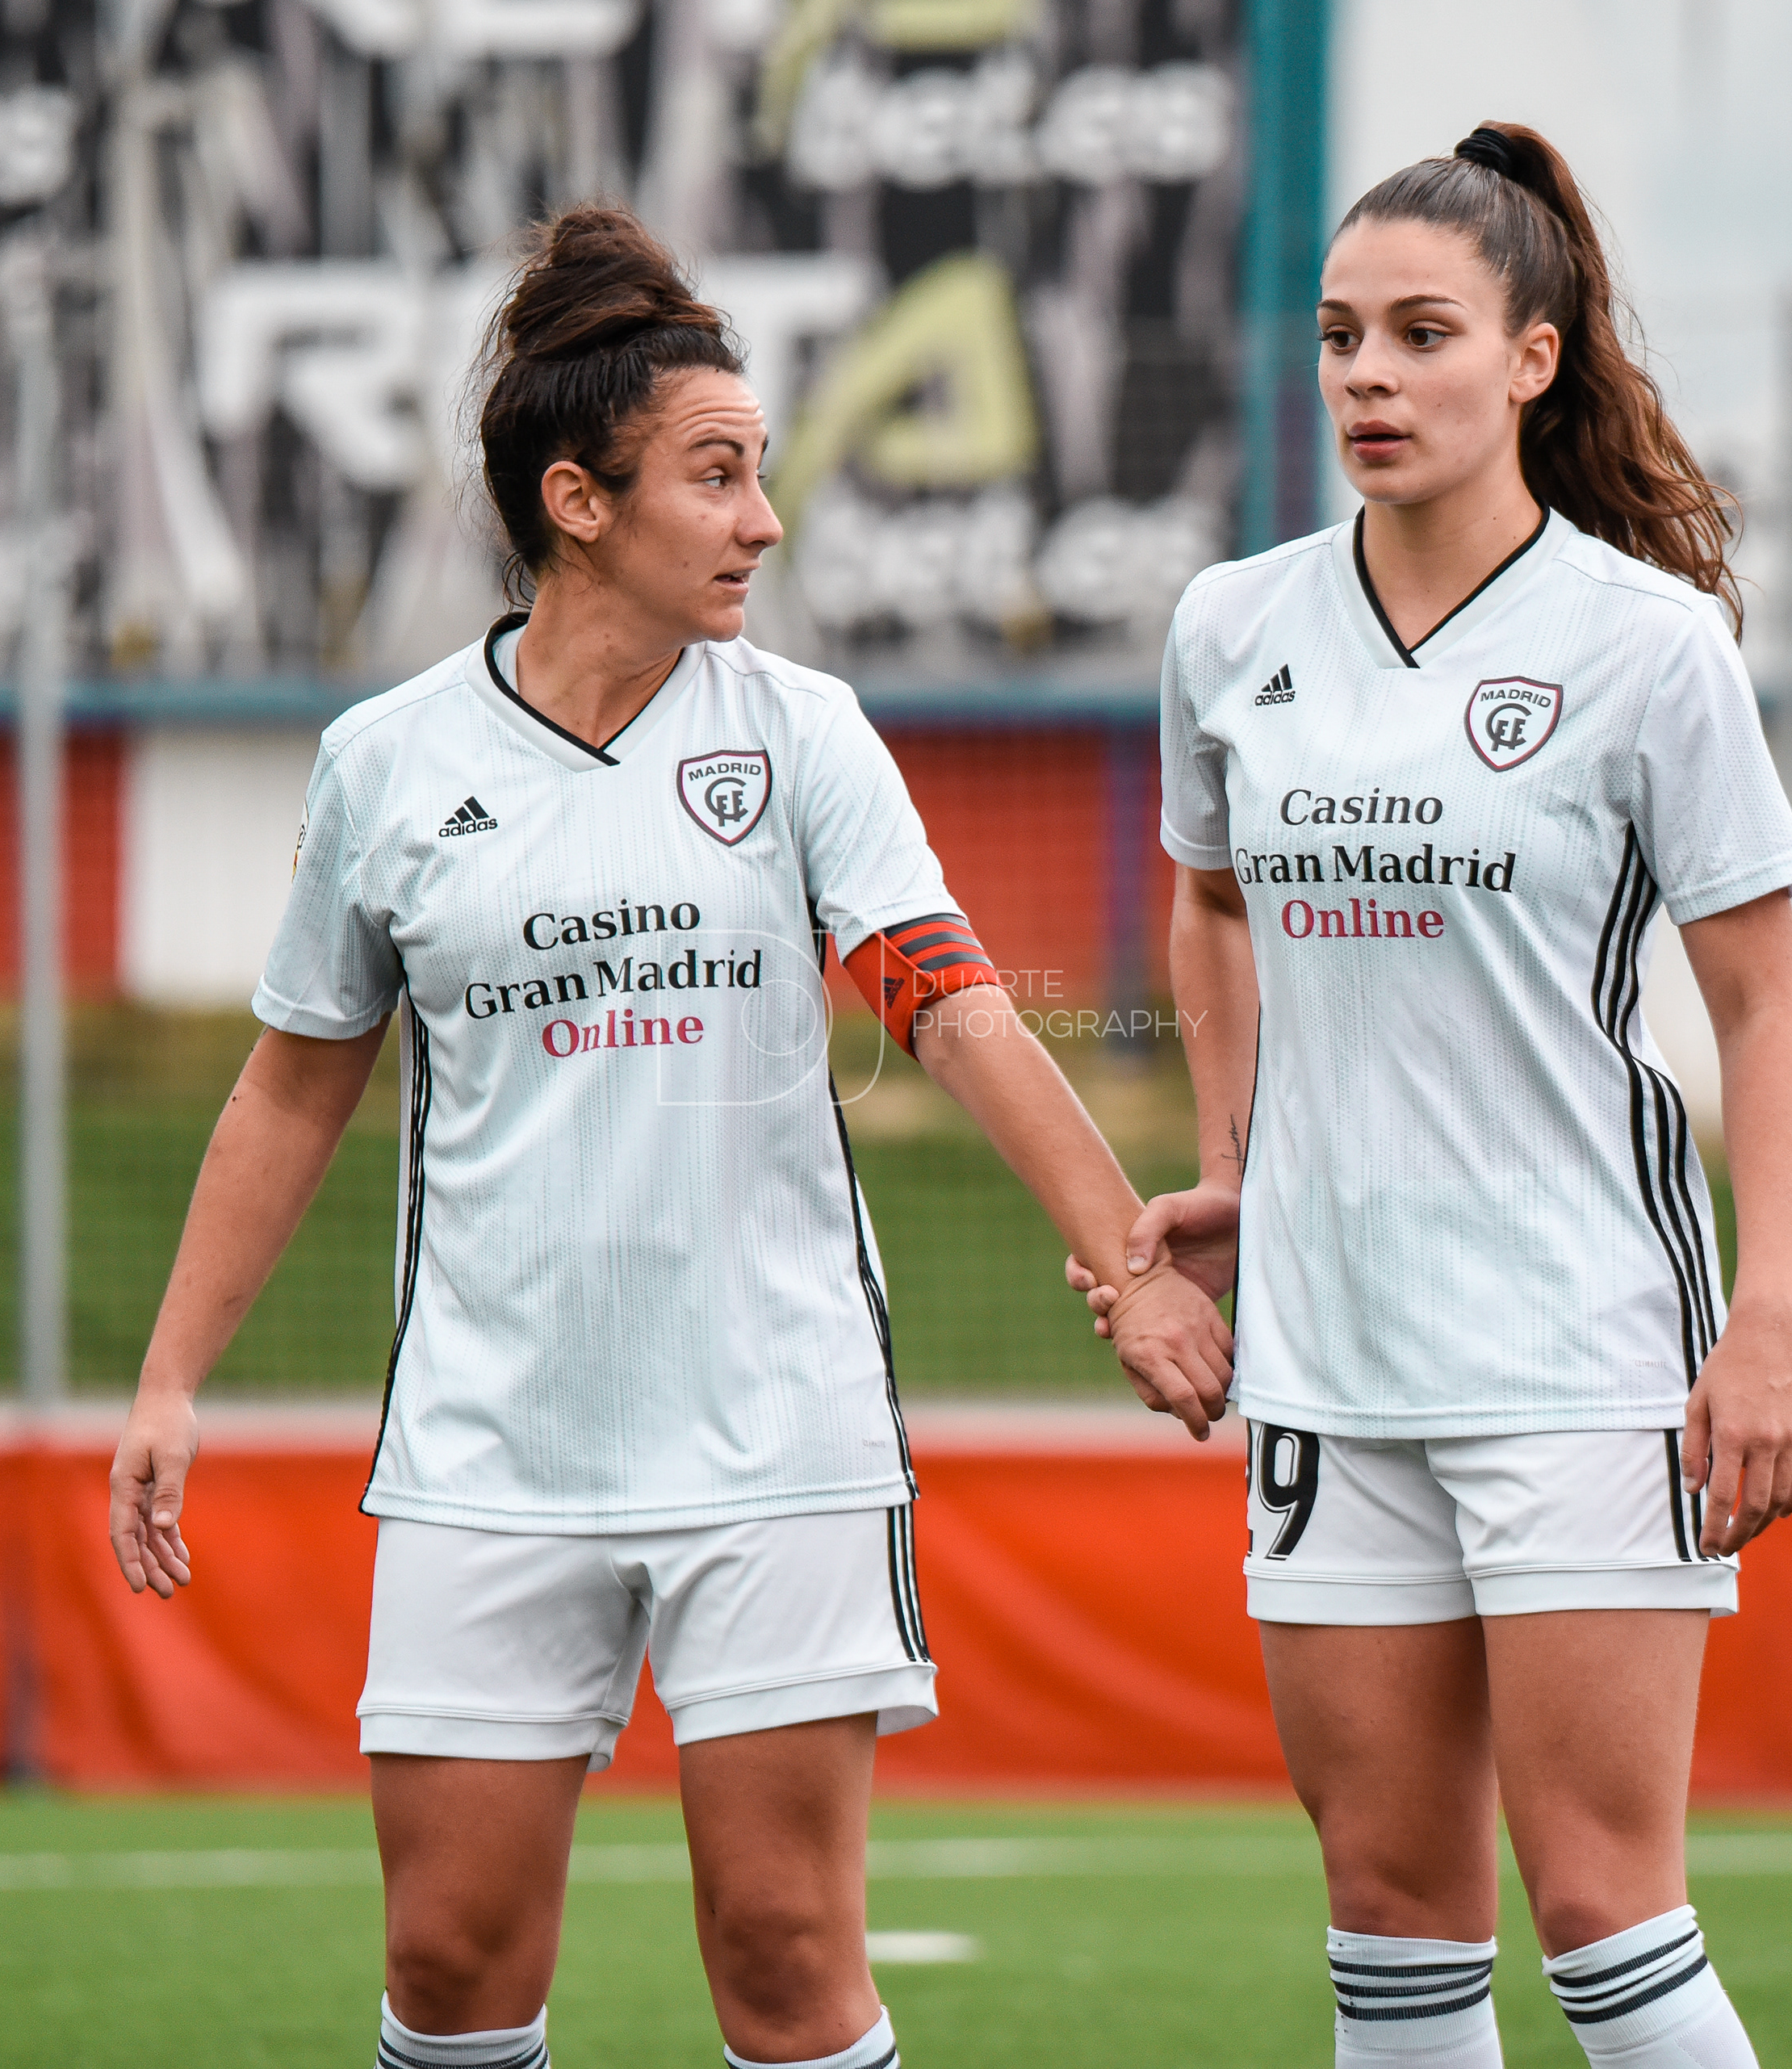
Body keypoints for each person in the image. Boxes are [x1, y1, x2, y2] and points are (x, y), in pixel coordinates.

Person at [104, 207, 1228, 2069]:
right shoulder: (388, 763)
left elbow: (952, 1005)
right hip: (491, 1440)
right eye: (717, 476)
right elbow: (293, 1083)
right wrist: (167, 1377)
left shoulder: (802, 734)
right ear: (578, 500)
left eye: (762, 470)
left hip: (776, 1430)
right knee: (450, 1966)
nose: (763, 520)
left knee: (783, 1954)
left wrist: (1137, 1266)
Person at [1077, 124, 1792, 2069]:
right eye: (1342, 337)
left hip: (1579, 1347)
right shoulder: (1232, 627)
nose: (1371, 378)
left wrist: (1771, 1315)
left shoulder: (1649, 647)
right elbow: (1208, 906)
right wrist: (1241, 1164)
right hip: (1329, 1362)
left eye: (1424, 335)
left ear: (1532, 359)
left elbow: (1764, 1010)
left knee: (1603, 1912)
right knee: (1393, 1924)